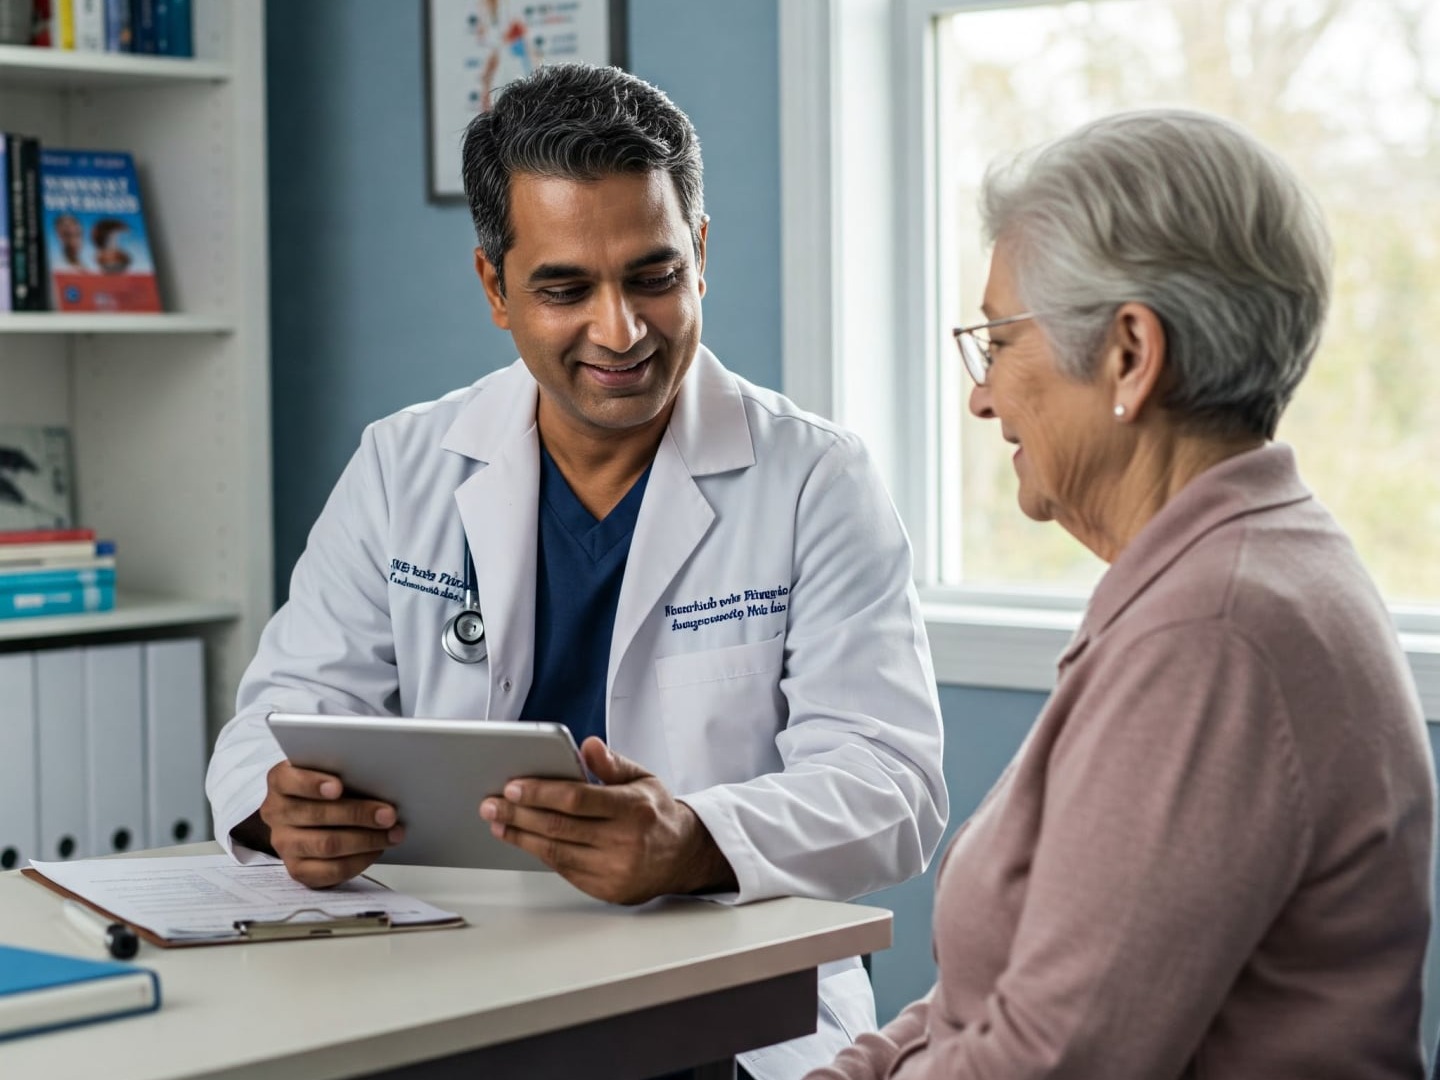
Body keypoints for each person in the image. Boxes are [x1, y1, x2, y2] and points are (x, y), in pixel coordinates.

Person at [205, 62, 948, 1080]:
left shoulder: (814, 477)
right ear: (495, 288)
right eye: (565, 287)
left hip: (715, 1007)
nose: (621, 330)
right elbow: (277, 714)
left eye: (654, 274)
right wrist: (277, 806)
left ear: (702, 255)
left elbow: (892, 784)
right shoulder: (403, 465)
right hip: (450, 980)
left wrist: (693, 838)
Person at [809, 109, 1436, 1080]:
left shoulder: (1215, 634)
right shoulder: (1213, 580)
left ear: (1131, 355)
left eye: (1000, 341)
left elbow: (1053, 1060)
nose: (980, 396)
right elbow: (994, 993)